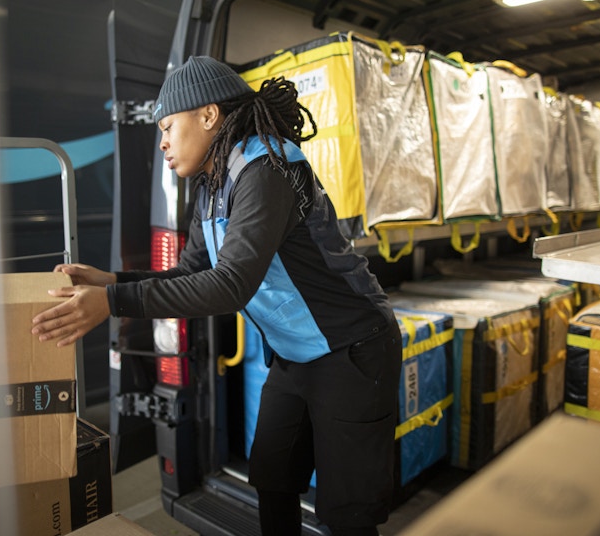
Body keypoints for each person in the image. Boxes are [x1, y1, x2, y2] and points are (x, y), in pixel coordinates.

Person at [31, 55, 402, 535]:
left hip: (353, 350)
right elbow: (190, 272)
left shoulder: (265, 167)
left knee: (346, 513)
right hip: (297, 356)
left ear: (208, 116)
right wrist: (113, 282)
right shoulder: (211, 186)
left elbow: (231, 284)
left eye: (167, 126)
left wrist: (113, 306)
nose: (162, 142)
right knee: (272, 475)